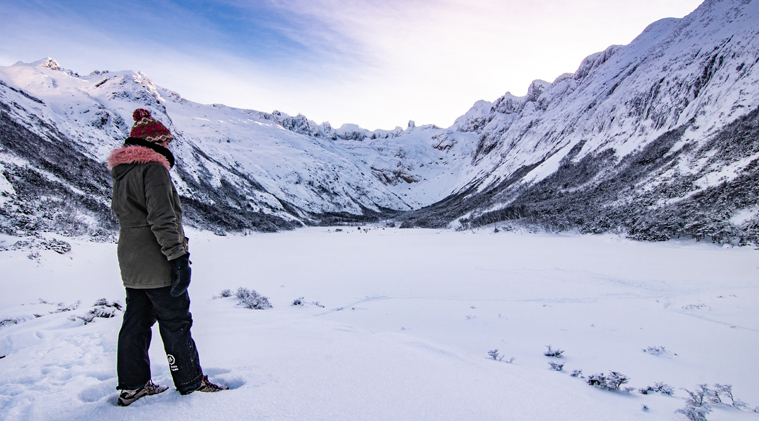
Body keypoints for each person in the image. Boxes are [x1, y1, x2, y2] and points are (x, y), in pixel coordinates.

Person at [107, 108, 227, 406]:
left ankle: (133, 386)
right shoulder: (153, 169)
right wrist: (177, 257)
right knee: (175, 320)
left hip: (131, 259)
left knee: (136, 321)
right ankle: (190, 382)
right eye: (166, 141)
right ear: (155, 142)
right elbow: (162, 218)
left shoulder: (123, 173)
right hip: (157, 258)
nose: (169, 147)